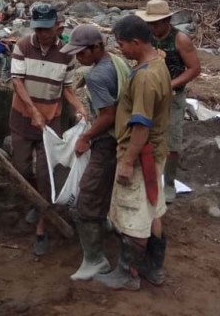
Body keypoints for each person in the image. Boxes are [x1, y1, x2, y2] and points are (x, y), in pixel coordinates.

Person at [95, 14, 171, 291]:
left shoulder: (144, 79)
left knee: (132, 216)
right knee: (152, 211)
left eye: (122, 44)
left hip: (140, 155)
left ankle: (128, 273)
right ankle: (155, 268)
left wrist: (127, 162)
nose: (120, 50)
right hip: (155, 152)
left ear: (137, 43)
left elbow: (141, 125)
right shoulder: (158, 65)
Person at [62, 25, 131, 281]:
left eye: (81, 53)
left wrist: (86, 136)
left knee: (86, 200)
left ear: (97, 48)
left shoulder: (97, 76)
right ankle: (106, 226)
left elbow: (108, 115)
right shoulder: (117, 61)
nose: (78, 58)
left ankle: (95, 259)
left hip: (107, 142)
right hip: (123, 139)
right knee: (104, 190)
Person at [9, 3, 78, 256]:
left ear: (57, 26)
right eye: (38, 29)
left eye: (46, 30)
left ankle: (41, 226)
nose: (42, 34)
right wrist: (33, 111)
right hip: (22, 119)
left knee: (46, 173)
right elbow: (17, 82)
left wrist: (80, 107)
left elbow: (67, 88)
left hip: (51, 122)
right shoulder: (24, 46)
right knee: (22, 167)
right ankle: (34, 201)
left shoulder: (67, 54)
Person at [136, 0, 200, 203]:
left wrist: (170, 85)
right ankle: (148, 176)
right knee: (145, 134)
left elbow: (194, 69)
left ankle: (169, 183)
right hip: (150, 94)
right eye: (149, 24)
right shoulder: (145, 38)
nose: (152, 27)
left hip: (173, 96)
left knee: (171, 140)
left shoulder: (180, 39)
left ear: (168, 20)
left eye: (156, 24)